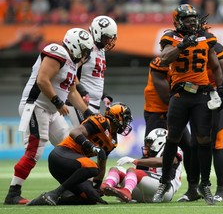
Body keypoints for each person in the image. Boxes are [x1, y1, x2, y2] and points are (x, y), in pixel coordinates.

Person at [4, 28, 95, 205]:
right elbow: (42, 80)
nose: (85, 55)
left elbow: (72, 92)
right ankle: (13, 193)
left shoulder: (71, 63)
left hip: (51, 110)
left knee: (70, 145)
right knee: (34, 150)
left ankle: (71, 188)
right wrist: (57, 102)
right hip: (36, 106)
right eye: (83, 50)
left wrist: (87, 112)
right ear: (74, 46)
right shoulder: (57, 52)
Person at [152, 4, 223, 205]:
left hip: (201, 95)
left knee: (204, 140)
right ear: (178, 21)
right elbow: (165, 59)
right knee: (173, 138)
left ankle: (205, 184)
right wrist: (183, 45)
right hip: (180, 96)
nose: (193, 21)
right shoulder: (170, 37)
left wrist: (221, 88)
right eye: (188, 18)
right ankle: (164, 181)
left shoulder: (206, 38)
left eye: (194, 18)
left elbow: (215, 65)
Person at [26, 102, 133, 206]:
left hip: (73, 168)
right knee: (92, 167)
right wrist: (92, 147)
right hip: (61, 155)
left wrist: (96, 186)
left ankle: (47, 200)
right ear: (117, 117)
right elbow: (75, 132)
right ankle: (54, 193)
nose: (126, 123)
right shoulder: (102, 121)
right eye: (126, 119)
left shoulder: (113, 140)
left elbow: (102, 162)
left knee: (91, 198)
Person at [177, 40, 223, 203]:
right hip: (197, 99)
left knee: (216, 145)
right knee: (193, 144)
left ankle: (221, 190)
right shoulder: (187, 46)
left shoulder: (215, 48)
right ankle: (193, 189)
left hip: (214, 98)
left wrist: (220, 93)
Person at [143, 57, 199, 201]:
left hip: (174, 111)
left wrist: (201, 91)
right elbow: (166, 96)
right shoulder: (160, 63)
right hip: (157, 112)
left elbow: (193, 88)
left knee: (189, 148)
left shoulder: (182, 62)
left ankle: (193, 188)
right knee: (150, 151)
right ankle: (138, 186)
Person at [101, 128, 183, 203]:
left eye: (150, 143)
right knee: (116, 169)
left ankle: (126, 191)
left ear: (160, 141)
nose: (148, 146)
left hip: (166, 190)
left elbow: (164, 161)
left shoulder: (174, 149)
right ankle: (106, 186)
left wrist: (136, 161)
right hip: (149, 192)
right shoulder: (154, 154)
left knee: (132, 171)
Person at [68, 15, 117, 127]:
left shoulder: (101, 50)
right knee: (85, 140)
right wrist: (82, 91)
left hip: (94, 104)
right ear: (97, 32)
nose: (108, 41)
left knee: (92, 140)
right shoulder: (86, 47)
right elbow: (70, 72)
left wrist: (103, 96)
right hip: (80, 102)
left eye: (110, 38)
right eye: (106, 37)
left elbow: (95, 79)